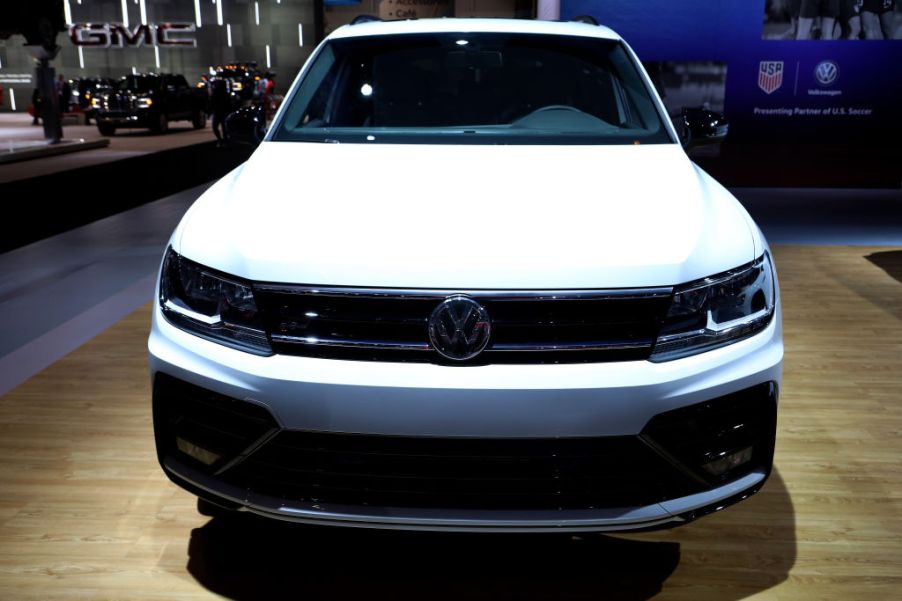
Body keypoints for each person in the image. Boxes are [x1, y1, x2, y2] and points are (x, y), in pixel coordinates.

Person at [209, 77, 232, 147]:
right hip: (218, 112)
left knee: (223, 128)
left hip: (222, 112)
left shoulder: (224, 93)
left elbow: (228, 104)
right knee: (217, 127)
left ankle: (224, 141)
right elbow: (212, 102)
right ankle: (221, 140)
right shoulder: (216, 93)